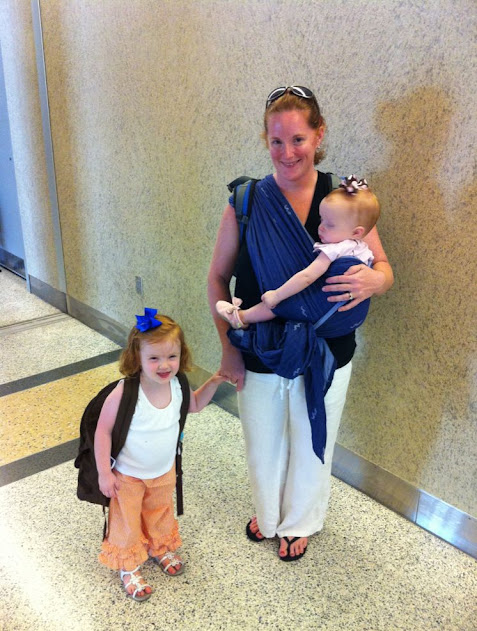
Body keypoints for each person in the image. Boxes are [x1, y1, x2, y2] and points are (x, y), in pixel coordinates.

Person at [207, 86, 393, 562]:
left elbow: (383, 269)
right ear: (266, 141)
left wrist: (375, 281)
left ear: (318, 135)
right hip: (260, 345)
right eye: (276, 141)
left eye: (298, 139)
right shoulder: (246, 201)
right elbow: (217, 278)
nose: (287, 152)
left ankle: (300, 521)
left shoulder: (344, 200)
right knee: (263, 438)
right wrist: (228, 349)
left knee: (313, 438)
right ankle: (269, 514)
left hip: (328, 349)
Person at [94, 309, 227, 601]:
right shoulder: (126, 392)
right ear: (137, 358)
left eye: (172, 356)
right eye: (154, 358)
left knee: (160, 512)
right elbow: (103, 431)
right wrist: (104, 472)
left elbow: (193, 405)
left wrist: (214, 381)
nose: (164, 365)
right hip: (128, 475)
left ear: (182, 355)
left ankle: (160, 547)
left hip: (164, 471)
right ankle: (129, 566)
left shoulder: (178, 385)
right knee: (127, 521)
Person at [215, 176, 379, 329]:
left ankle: (241, 317)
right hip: (344, 319)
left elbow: (307, 277)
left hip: (320, 310)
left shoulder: (334, 249)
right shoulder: (363, 250)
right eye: (321, 219)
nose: (321, 227)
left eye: (329, 225)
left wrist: (276, 295)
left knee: (279, 304)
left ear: (357, 232)